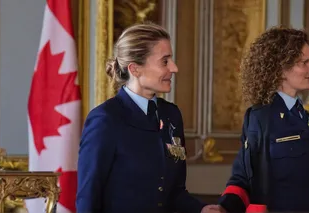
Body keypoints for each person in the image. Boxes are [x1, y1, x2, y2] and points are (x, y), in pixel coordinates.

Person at [76, 23, 221, 213]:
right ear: (135, 69)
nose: (174, 68)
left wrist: (202, 209)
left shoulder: (171, 115)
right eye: (165, 61)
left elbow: (174, 193)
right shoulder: (106, 119)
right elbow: (88, 199)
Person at [218, 27, 309, 213]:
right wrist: (224, 209)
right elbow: (245, 178)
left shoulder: (308, 119)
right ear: (281, 69)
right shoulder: (261, 117)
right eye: (304, 62)